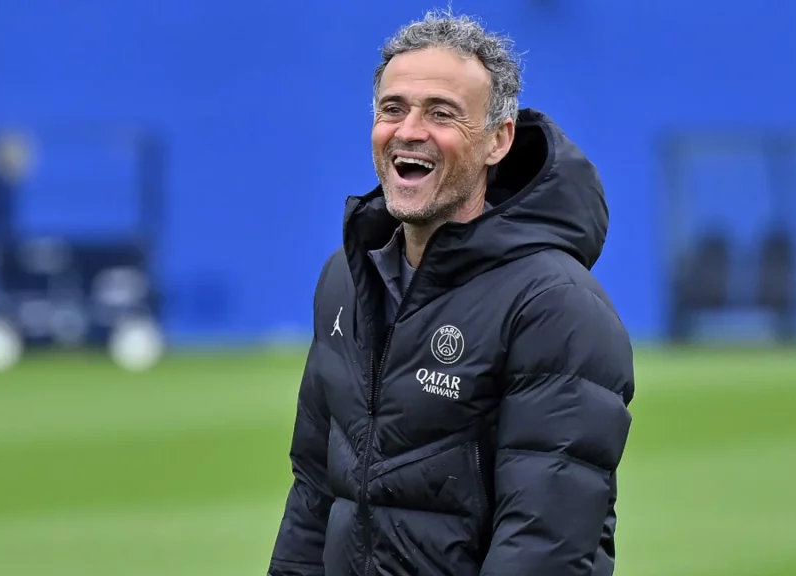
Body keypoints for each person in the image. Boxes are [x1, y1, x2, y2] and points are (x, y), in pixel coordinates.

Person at [268, 9, 635, 576]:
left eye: (441, 113)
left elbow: (543, 544)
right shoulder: (345, 279)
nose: (409, 130)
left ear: (497, 141)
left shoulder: (555, 304)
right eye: (393, 109)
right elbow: (314, 494)